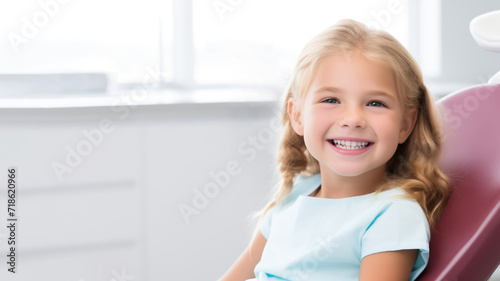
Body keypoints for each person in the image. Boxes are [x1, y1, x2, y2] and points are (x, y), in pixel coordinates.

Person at [219, 19, 451, 281]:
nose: (352, 119)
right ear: (297, 116)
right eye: (331, 100)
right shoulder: (295, 195)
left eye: (375, 103)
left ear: (406, 124)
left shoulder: (393, 215)